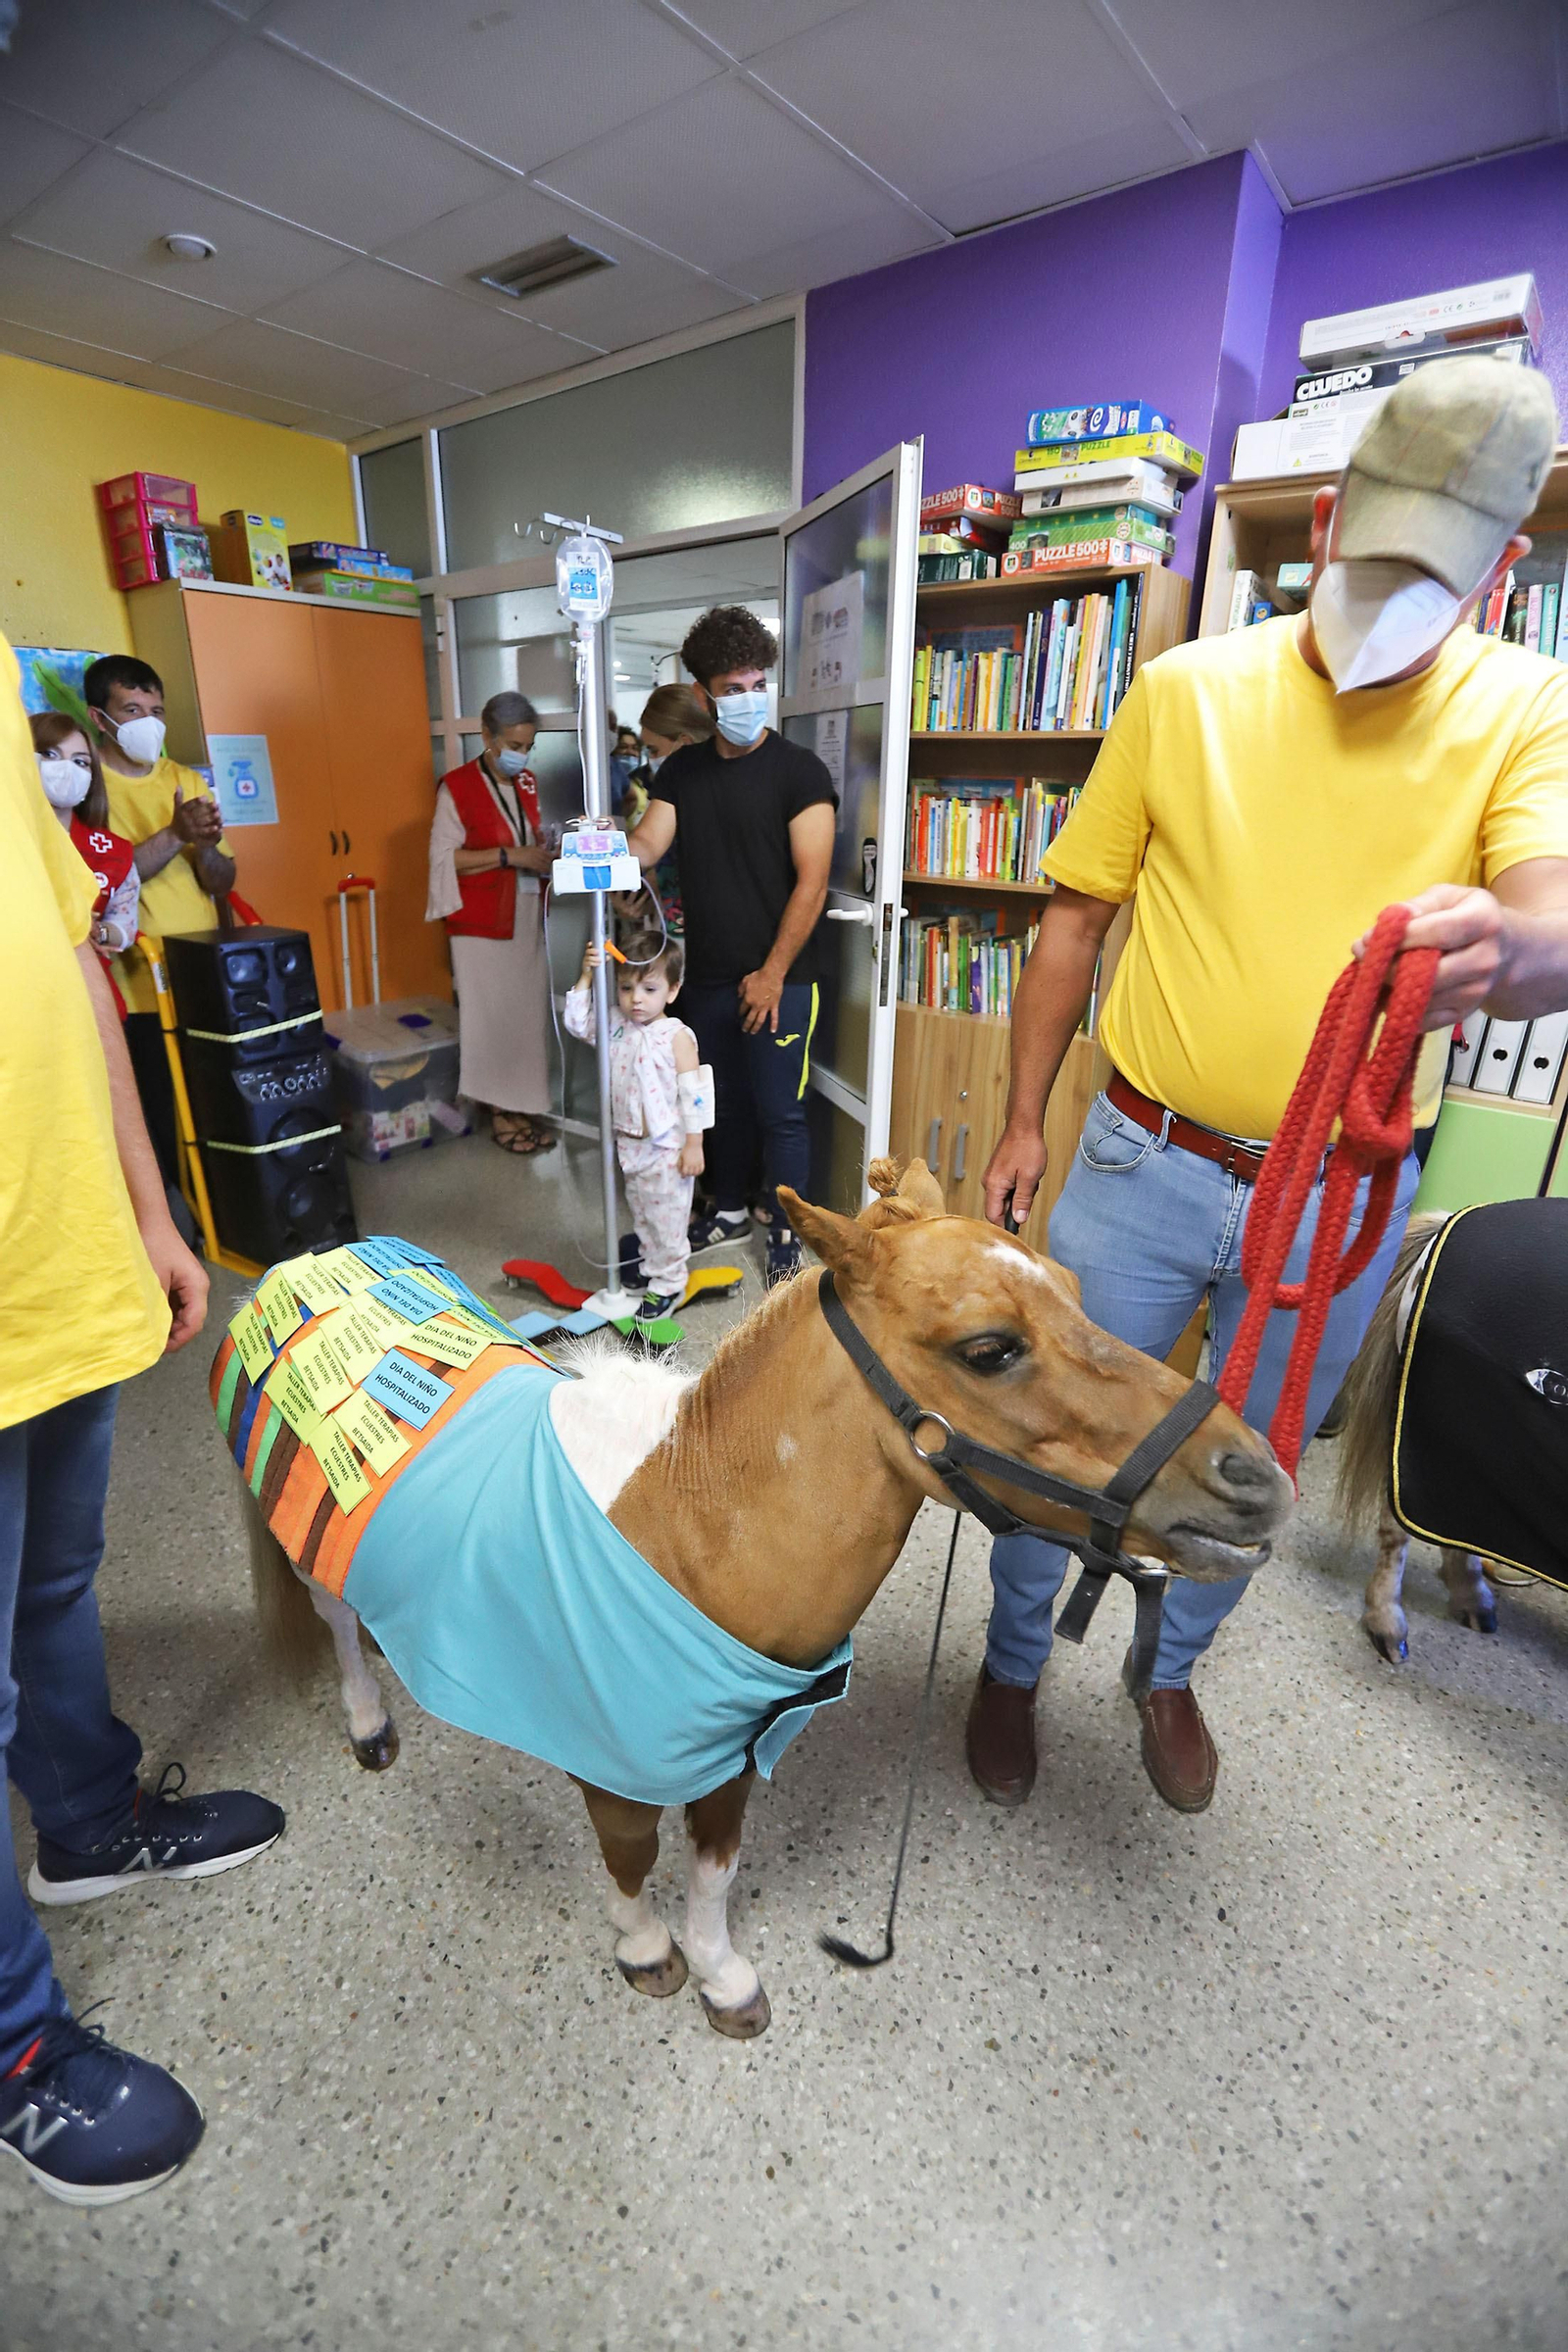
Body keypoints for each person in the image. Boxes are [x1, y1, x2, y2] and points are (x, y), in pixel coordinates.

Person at [972, 357, 1568, 1817]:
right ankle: (1009, 1662)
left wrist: (1521, 952)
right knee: (1054, 1428)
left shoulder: (1528, 708)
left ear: (1499, 570)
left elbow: (1550, 916)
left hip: (1339, 1198)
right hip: (1139, 1158)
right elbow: (1073, 922)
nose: (1394, 600)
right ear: (1323, 527)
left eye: (1436, 576)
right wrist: (1022, 1119)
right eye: (1374, 560)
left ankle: (1169, 1668)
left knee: (1251, 1462)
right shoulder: (1184, 691)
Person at [1, 643, 285, 2204]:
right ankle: (14, 2045)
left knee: (56, 1586)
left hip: (54, 1258)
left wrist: (150, 1208)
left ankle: (89, 1825)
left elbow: (68, 958)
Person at [626, 609, 836, 1287]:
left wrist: (772, 974)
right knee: (719, 1105)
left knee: (781, 1111)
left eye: (757, 685)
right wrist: (601, 847)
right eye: (732, 688)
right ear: (704, 693)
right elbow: (646, 845)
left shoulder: (799, 771)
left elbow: (812, 882)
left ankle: (787, 1230)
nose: (748, 698)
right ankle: (730, 1209)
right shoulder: (683, 773)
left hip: (784, 978)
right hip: (710, 975)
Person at [85, 656, 234, 1190]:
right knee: (161, 1110)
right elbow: (105, 883)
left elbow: (222, 882)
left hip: (202, 970)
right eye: (132, 710)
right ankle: (179, 1213)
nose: (148, 722)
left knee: (216, 1099)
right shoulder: (87, 788)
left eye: (156, 711)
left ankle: (223, 1203)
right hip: (139, 983)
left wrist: (207, 847)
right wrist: (174, 835)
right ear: (100, 718)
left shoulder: (185, 779)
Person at [426, 691, 557, 1154]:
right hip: (481, 923)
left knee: (526, 1020)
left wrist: (544, 851)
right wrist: (510, 855)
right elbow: (444, 859)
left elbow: (527, 838)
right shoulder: (457, 787)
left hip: (525, 914)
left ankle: (520, 1105)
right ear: (487, 736)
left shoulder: (527, 783)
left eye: (529, 745)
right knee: (491, 1020)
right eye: (514, 745)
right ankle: (500, 1112)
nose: (522, 755)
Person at [563, 931, 710, 1324]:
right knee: (643, 1215)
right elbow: (576, 1022)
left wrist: (694, 1143)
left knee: (667, 1222)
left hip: (666, 1149)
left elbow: (694, 1094)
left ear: (672, 991)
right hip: (629, 1145)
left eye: (649, 989)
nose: (636, 999)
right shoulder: (614, 1023)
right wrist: (587, 975)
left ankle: (669, 1282)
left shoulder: (676, 1036)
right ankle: (650, 1264)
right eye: (626, 988)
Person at [29, 712, 139, 1005]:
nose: (67, 768)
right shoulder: (12, 839)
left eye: (80, 762)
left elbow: (125, 925)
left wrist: (97, 932)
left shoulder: (114, 852)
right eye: (50, 754)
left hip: (90, 997)